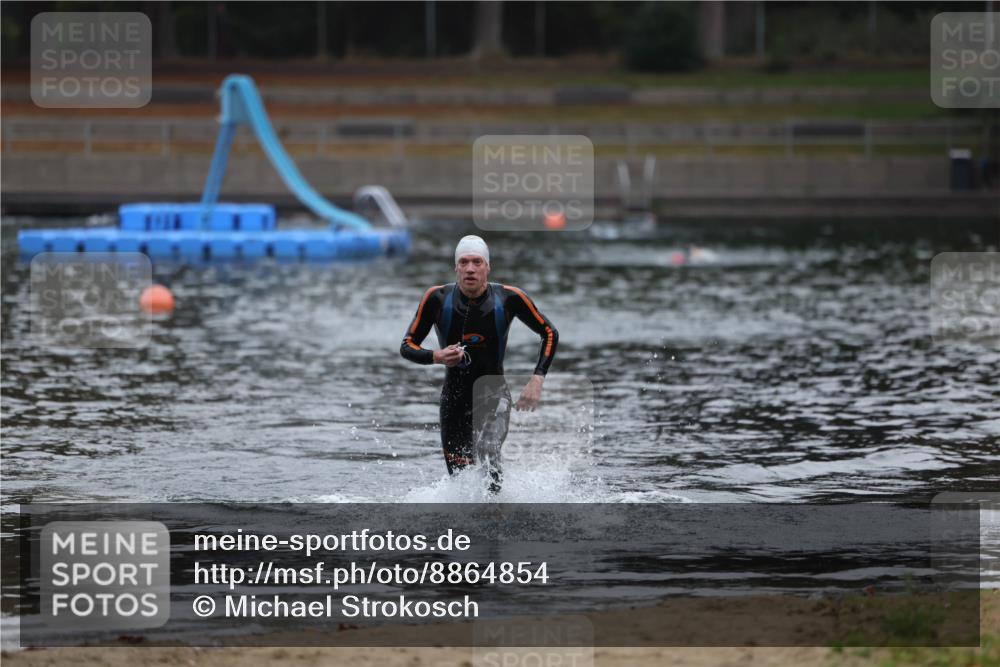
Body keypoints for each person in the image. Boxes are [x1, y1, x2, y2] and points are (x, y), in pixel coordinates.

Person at [400, 235, 558, 494]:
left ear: (487, 267)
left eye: (477, 262)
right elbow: (406, 346)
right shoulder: (436, 298)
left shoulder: (509, 298)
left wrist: (537, 378)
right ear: (456, 268)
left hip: (493, 394)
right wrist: (435, 356)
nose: (470, 268)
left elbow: (550, 333)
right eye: (464, 262)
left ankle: (496, 520)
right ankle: (468, 530)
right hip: (454, 398)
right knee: (460, 478)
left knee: (487, 453)